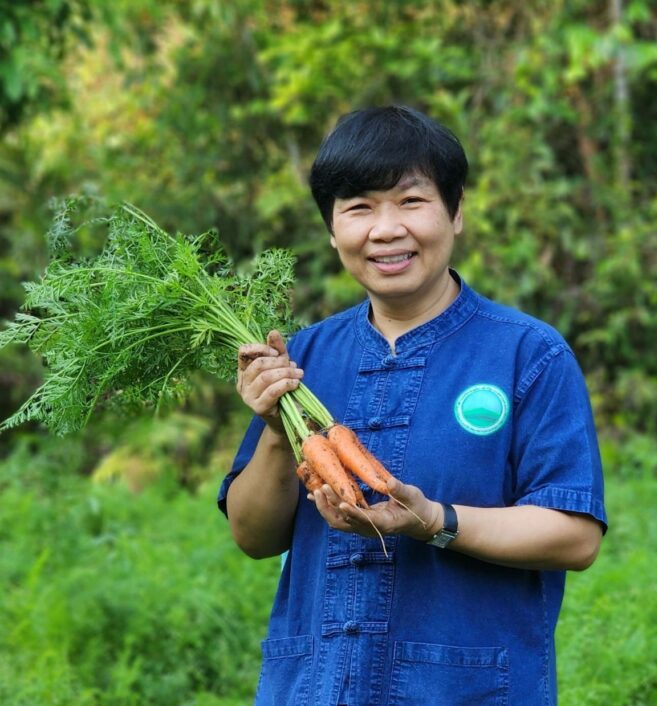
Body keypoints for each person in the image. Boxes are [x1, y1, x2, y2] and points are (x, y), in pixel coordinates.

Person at [218, 105, 607, 706]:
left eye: (411, 201)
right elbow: (253, 536)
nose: (385, 229)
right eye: (359, 207)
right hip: (315, 689)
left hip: (466, 689)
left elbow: (575, 535)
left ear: (455, 213)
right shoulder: (302, 357)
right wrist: (273, 431)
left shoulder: (528, 354)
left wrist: (437, 522)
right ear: (331, 229)